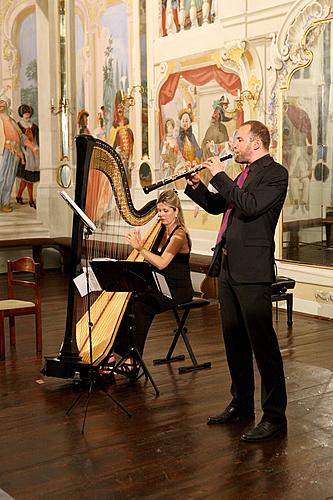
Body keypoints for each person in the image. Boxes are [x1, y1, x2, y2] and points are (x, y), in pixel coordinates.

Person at [185, 120, 288, 442]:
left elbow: (250, 206)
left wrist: (218, 175)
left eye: (239, 139)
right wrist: (197, 185)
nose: (233, 145)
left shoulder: (274, 173)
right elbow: (221, 206)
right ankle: (241, 404)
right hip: (228, 266)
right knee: (234, 341)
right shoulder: (243, 175)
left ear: (256, 143)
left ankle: (274, 417)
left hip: (253, 270)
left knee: (263, 345)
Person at [103, 189, 194, 378]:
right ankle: (113, 354)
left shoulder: (179, 236)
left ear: (176, 211)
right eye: (159, 211)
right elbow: (149, 255)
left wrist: (140, 248)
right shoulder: (159, 230)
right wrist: (141, 247)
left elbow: (161, 263)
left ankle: (134, 361)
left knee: (141, 306)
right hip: (161, 285)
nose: (161, 214)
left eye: (165, 211)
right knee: (128, 301)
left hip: (178, 289)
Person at [0, 93, 37, 213]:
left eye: (3, 102)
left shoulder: (12, 121)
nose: (0, 105)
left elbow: (22, 138)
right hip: (3, 151)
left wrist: (33, 147)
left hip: (15, 153)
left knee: (9, 179)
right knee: (1, 177)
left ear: (7, 105)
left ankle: (4, 203)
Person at [16, 104, 40, 209]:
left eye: (28, 112)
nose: (27, 114)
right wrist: (23, 153)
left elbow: (37, 141)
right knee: (27, 179)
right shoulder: (18, 126)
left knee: (27, 179)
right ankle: (30, 199)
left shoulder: (34, 126)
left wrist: (37, 151)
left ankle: (19, 196)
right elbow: (17, 141)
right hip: (23, 154)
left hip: (33, 155)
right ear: (21, 113)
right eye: (25, 112)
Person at [109, 90, 134, 187]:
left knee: (128, 184)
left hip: (128, 162)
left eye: (121, 108)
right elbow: (110, 148)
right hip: (119, 161)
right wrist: (115, 151)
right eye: (118, 108)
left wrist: (132, 159)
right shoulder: (113, 129)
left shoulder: (128, 128)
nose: (120, 110)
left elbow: (132, 145)